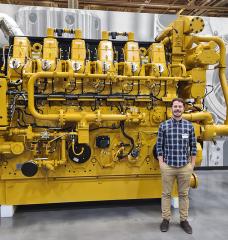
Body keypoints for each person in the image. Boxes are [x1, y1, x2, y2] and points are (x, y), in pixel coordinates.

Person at [156, 98, 197, 234]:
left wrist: (192, 165)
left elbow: (193, 148)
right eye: (175, 106)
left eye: (180, 106)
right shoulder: (164, 126)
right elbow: (159, 147)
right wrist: (161, 163)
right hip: (168, 166)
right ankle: (165, 220)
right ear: (171, 109)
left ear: (183, 108)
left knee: (184, 194)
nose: (177, 109)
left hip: (184, 167)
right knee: (166, 194)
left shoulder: (189, 126)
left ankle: (184, 220)